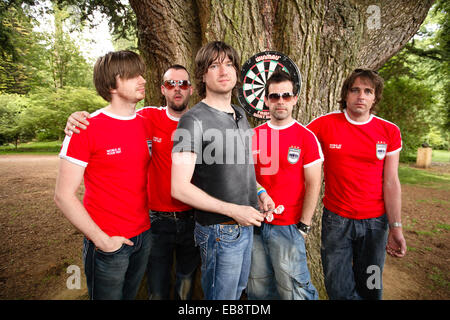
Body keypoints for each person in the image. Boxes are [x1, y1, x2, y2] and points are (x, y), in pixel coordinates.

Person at [64, 65, 200, 300]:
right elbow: (113, 118)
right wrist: (76, 117)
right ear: (162, 90)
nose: (177, 89)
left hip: (194, 220)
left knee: (186, 285)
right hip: (156, 222)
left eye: (184, 84)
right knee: (156, 290)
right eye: (170, 84)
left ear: (192, 89)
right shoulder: (147, 117)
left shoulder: (202, 122)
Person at [170, 41, 270, 300]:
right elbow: (179, 188)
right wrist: (233, 210)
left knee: (236, 296)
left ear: (237, 72)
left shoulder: (239, 114)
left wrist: (259, 191)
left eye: (229, 64)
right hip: (219, 231)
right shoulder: (192, 120)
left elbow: (241, 167)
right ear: (203, 75)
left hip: (246, 225)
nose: (223, 71)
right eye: (214, 65)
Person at [54, 50, 152, 300]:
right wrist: (102, 240)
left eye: (141, 74)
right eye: (132, 75)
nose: (142, 80)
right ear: (112, 84)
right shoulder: (85, 128)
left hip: (143, 236)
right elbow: (63, 196)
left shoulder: (145, 122)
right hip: (108, 244)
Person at [306, 69, 407, 300]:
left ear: (374, 97)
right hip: (336, 222)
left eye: (368, 91)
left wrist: (396, 227)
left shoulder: (389, 131)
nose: (361, 96)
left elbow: (391, 181)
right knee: (338, 288)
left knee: (371, 286)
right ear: (346, 94)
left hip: (375, 225)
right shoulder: (323, 125)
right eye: (355, 90)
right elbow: (294, 143)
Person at [247, 70, 323, 300]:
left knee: (294, 292)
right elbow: (244, 176)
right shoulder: (253, 135)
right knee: (258, 290)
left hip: (289, 228)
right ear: (266, 100)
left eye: (286, 96)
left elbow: (314, 184)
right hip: (255, 225)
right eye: (274, 96)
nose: (280, 101)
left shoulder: (306, 137)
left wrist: (304, 227)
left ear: (295, 99)